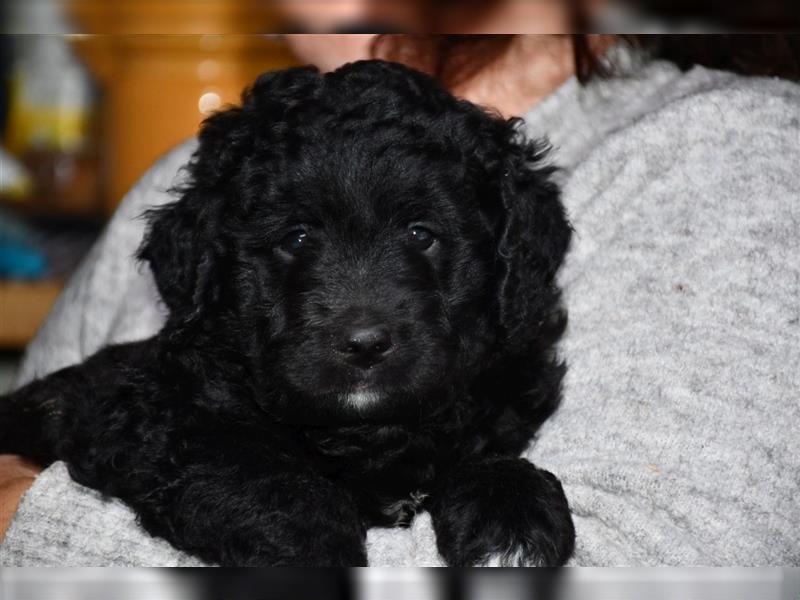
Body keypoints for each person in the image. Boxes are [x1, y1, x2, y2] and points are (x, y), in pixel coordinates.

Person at [1, 0, 799, 565]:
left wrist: (28, 526)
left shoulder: (732, 155)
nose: (361, 319)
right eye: (297, 240)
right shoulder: (213, 174)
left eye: (422, 238)